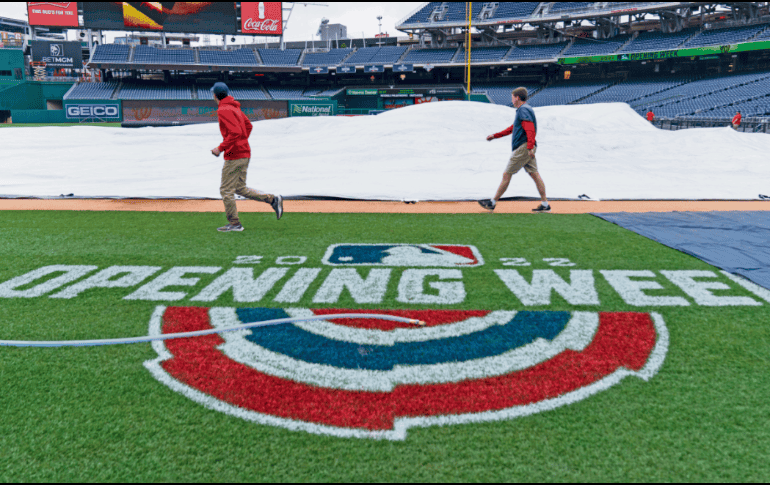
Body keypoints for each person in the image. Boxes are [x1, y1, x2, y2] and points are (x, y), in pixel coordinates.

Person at [210, 82, 283, 232]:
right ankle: (272, 199)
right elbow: (248, 126)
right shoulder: (235, 107)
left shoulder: (223, 109)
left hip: (234, 155)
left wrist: (220, 148)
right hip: (244, 152)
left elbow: (235, 132)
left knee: (226, 190)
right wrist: (242, 142)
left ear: (214, 95)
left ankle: (235, 223)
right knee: (239, 188)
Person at [479, 87, 550, 213]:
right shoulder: (525, 110)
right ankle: (545, 204)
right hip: (528, 146)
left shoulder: (523, 110)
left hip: (524, 147)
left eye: (512, 97)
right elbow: (513, 128)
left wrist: (529, 148)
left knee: (507, 174)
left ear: (517, 97)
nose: (511, 100)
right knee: (535, 174)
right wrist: (495, 136)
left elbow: (530, 129)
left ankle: (492, 202)